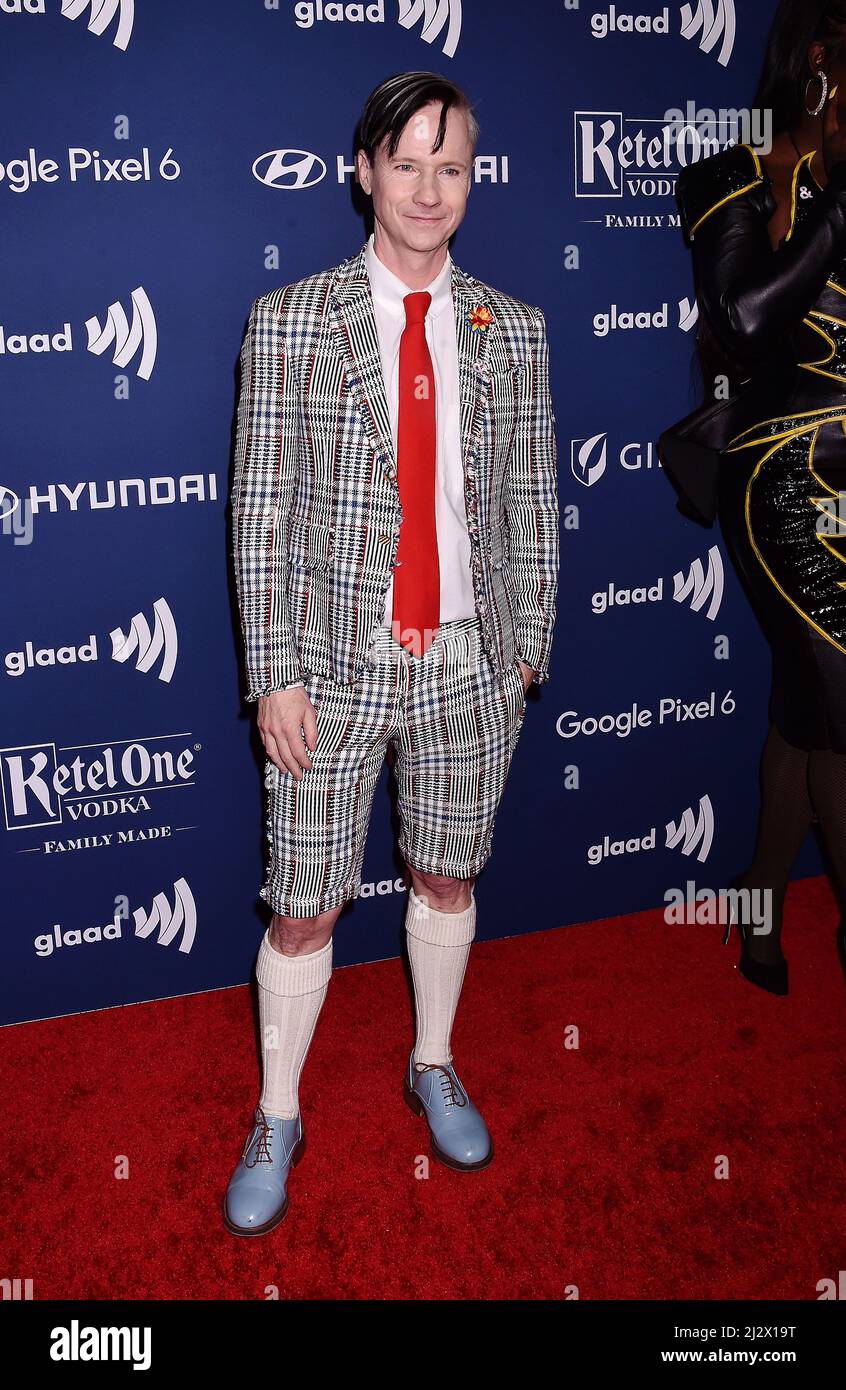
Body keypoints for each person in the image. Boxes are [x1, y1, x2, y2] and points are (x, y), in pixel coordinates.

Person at [225, 71, 559, 1235]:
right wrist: (275, 670)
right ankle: (279, 1108)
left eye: (450, 166)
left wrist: (526, 657)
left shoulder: (513, 329)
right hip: (332, 663)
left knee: (447, 874)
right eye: (405, 163)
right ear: (361, 171)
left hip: (473, 660)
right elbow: (260, 508)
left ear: (474, 178)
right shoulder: (292, 320)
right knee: (307, 904)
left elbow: (529, 502)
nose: (428, 189)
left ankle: (431, 1057)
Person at [662, 0, 846, 996]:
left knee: (809, 714)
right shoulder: (735, 165)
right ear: (822, 58)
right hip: (788, 477)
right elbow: (738, 315)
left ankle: (759, 904)